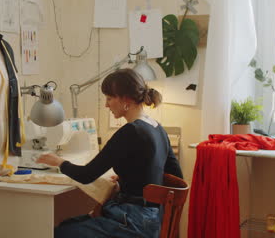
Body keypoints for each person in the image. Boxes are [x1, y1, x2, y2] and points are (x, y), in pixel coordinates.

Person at [36, 68, 183, 238]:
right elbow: (175, 176)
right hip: (153, 220)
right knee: (68, 224)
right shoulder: (157, 128)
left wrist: (59, 162)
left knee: (59, 232)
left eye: (109, 98)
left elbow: (86, 175)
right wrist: (132, 180)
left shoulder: (131, 132)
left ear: (126, 100)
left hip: (133, 221)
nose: (106, 105)